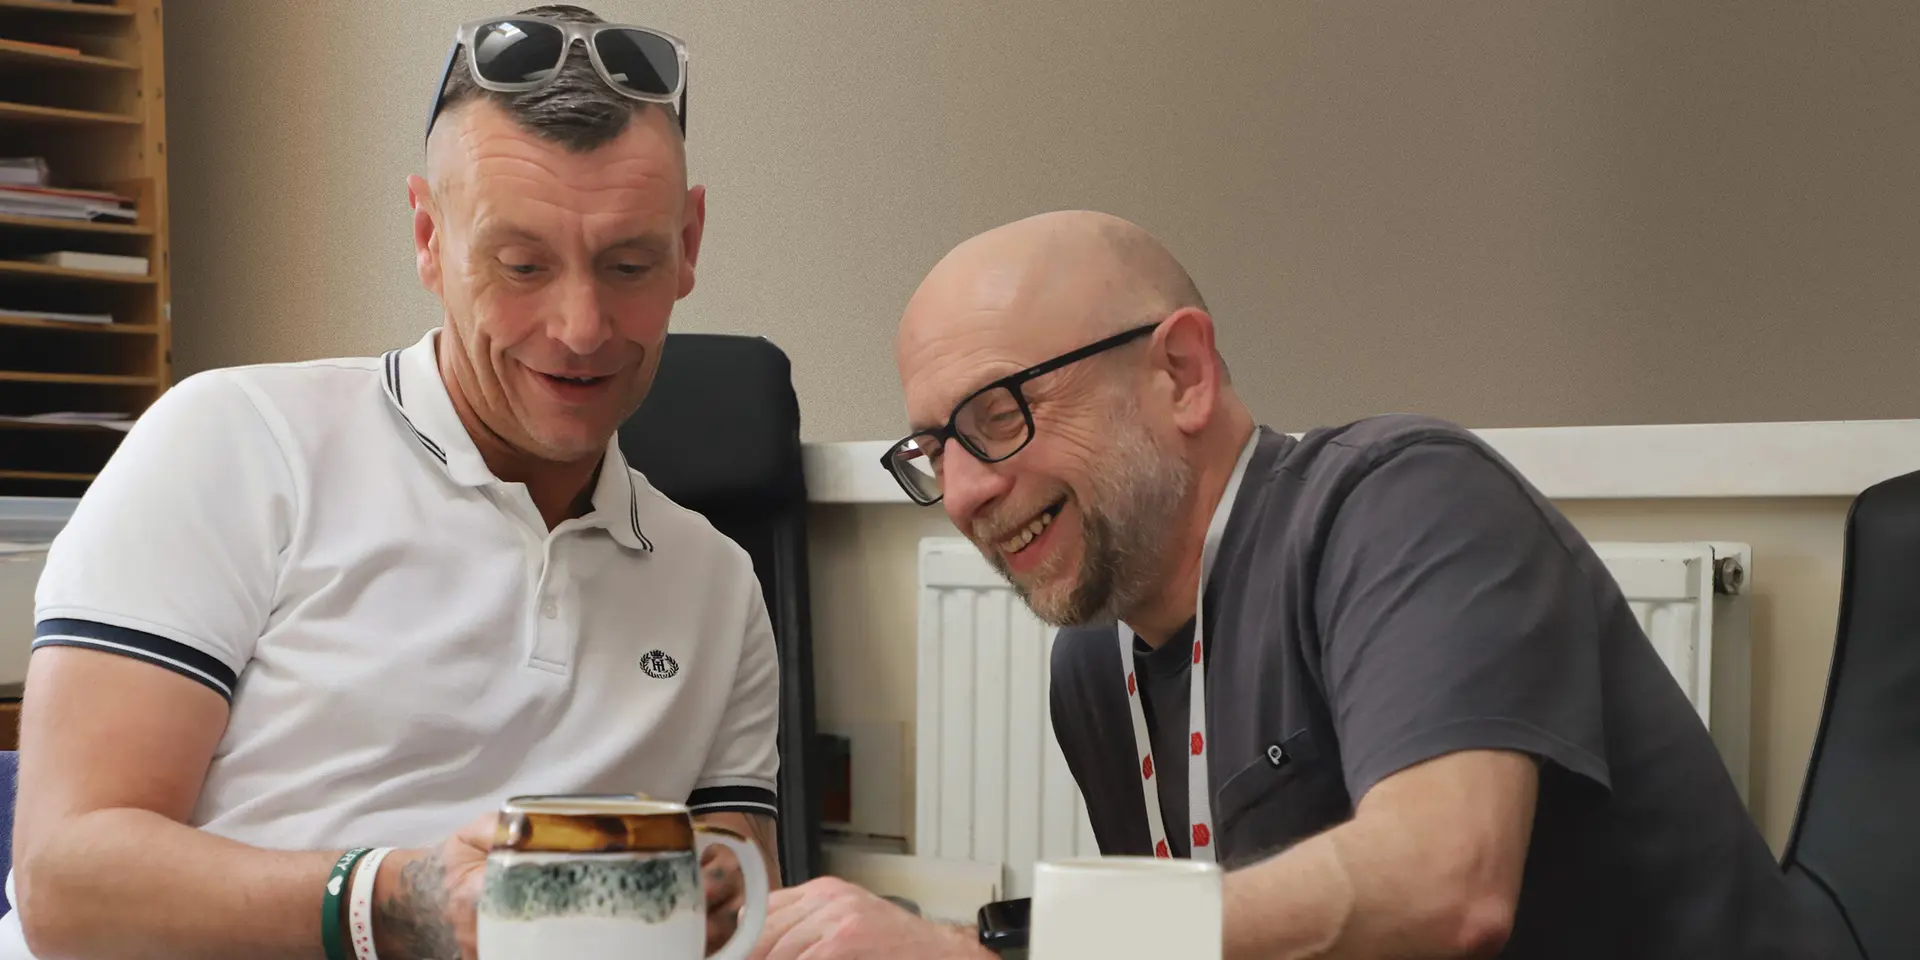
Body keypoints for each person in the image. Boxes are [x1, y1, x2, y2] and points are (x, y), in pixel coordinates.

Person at [750, 210, 1816, 959]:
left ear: (1183, 373)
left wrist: (1007, 947)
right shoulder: (1093, 662)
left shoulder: (1404, 501)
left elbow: (1449, 885)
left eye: (999, 415)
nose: (972, 491)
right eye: (937, 451)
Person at [3, 6, 782, 959]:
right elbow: (64, 881)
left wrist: (719, 904)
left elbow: (739, 894)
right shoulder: (236, 445)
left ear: (690, 244)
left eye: (629, 264)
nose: (581, 327)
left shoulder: (720, 588)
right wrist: (396, 902)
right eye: (521, 265)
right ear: (427, 236)